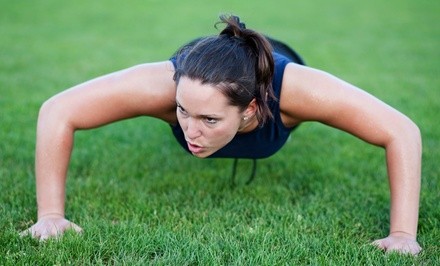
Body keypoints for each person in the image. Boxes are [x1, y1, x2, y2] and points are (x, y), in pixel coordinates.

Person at [21, 15, 422, 255]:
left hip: (273, 61)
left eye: (209, 120)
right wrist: (51, 216)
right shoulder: (162, 85)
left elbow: (401, 130)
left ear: (250, 111)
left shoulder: (297, 92)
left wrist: (403, 234)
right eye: (182, 112)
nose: (190, 131)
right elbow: (58, 109)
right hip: (210, 63)